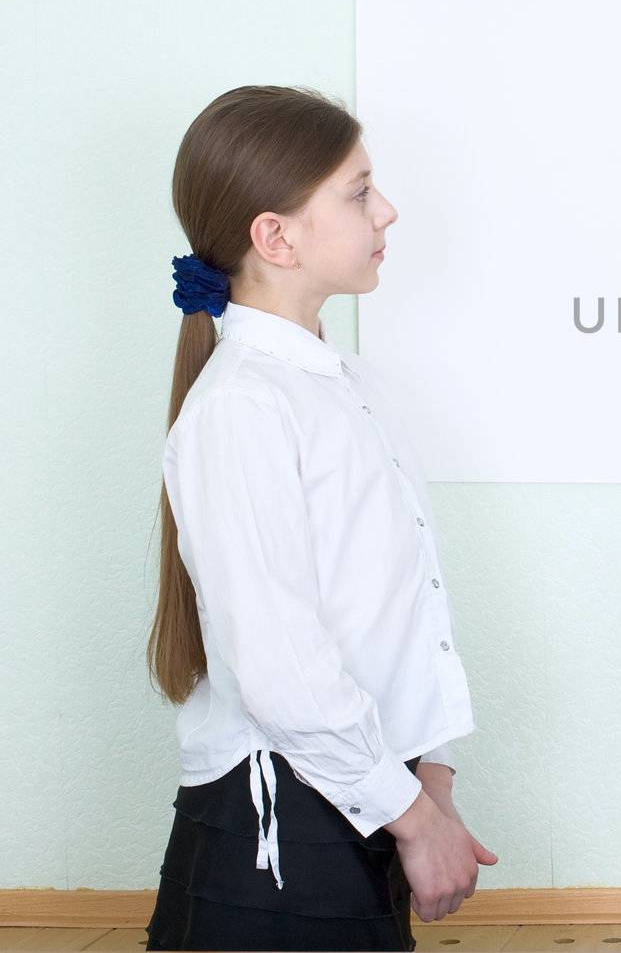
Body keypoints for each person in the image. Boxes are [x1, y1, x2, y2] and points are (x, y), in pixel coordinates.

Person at [145, 85, 497, 951]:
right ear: (276, 236)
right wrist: (413, 817)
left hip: (360, 802)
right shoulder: (241, 407)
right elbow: (281, 668)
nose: (389, 209)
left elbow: (399, 605)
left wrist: (433, 774)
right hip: (277, 842)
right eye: (359, 190)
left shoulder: (348, 385)